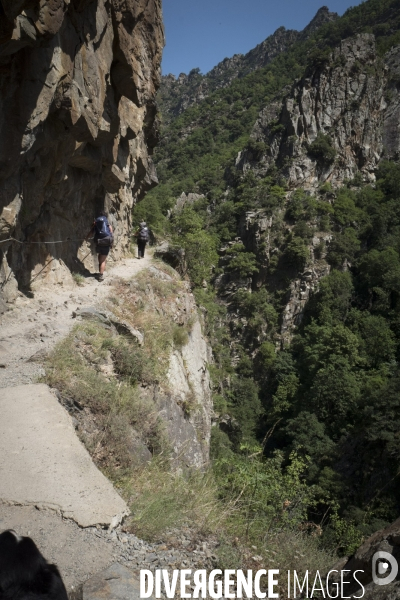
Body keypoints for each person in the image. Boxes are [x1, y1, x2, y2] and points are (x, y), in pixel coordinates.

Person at [87, 211, 114, 281]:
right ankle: (101, 275)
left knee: (100, 256)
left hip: (99, 241)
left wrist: (86, 238)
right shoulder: (107, 222)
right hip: (107, 241)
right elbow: (111, 231)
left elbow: (91, 232)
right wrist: (111, 242)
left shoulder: (97, 222)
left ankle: (100, 271)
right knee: (103, 260)